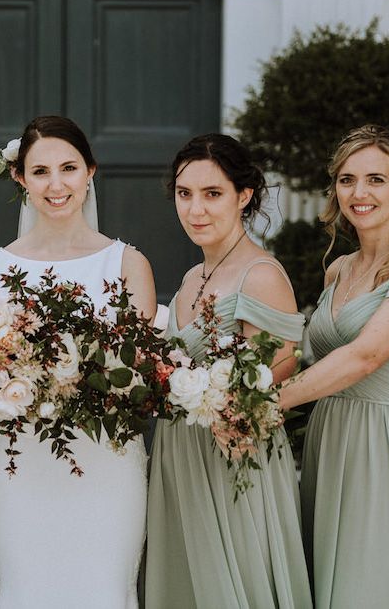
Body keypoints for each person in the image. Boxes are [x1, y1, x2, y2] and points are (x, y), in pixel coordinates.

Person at [0, 115, 156, 608]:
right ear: (19, 178)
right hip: (23, 464)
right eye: (41, 170)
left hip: (107, 464)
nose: (56, 184)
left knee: (106, 591)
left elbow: (142, 373)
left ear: (90, 172)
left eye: (69, 168)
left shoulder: (127, 264)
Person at [146, 133, 312, 608]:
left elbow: (276, 381)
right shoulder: (189, 279)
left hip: (234, 460)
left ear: (244, 196)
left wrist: (225, 405)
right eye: (185, 194)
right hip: (182, 454)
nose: (195, 209)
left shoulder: (260, 275)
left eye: (212, 194)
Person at [279, 124, 389, 608]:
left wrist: (264, 401)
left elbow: (366, 356)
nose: (359, 192)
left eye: (375, 179)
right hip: (332, 439)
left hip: (387, 446)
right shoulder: (339, 269)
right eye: (347, 180)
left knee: (375, 585)